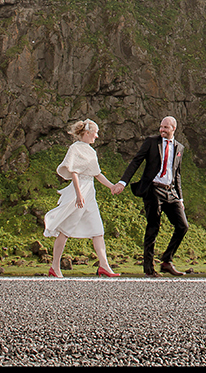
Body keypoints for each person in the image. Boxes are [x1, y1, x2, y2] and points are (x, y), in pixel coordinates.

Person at [42, 119, 121, 278]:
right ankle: (55, 267)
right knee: (65, 230)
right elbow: (74, 172)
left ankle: (104, 266)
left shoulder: (91, 151)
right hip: (79, 191)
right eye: (95, 133)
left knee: (98, 230)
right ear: (87, 133)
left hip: (90, 192)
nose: (96, 136)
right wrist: (78, 194)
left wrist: (112, 186)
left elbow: (97, 174)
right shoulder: (75, 148)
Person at [113, 115, 189, 277]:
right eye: (161, 126)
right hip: (153, 189)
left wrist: (180, 198)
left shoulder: (179, 148)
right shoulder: (151, 142)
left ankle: (167, 261)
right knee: (153, 227)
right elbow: (136, 161)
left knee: (183, 226)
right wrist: (122, 182)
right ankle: (149, 269)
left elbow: (177, 174)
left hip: (171, 191)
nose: (162, 130)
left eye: (165, 127)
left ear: (173, 128)